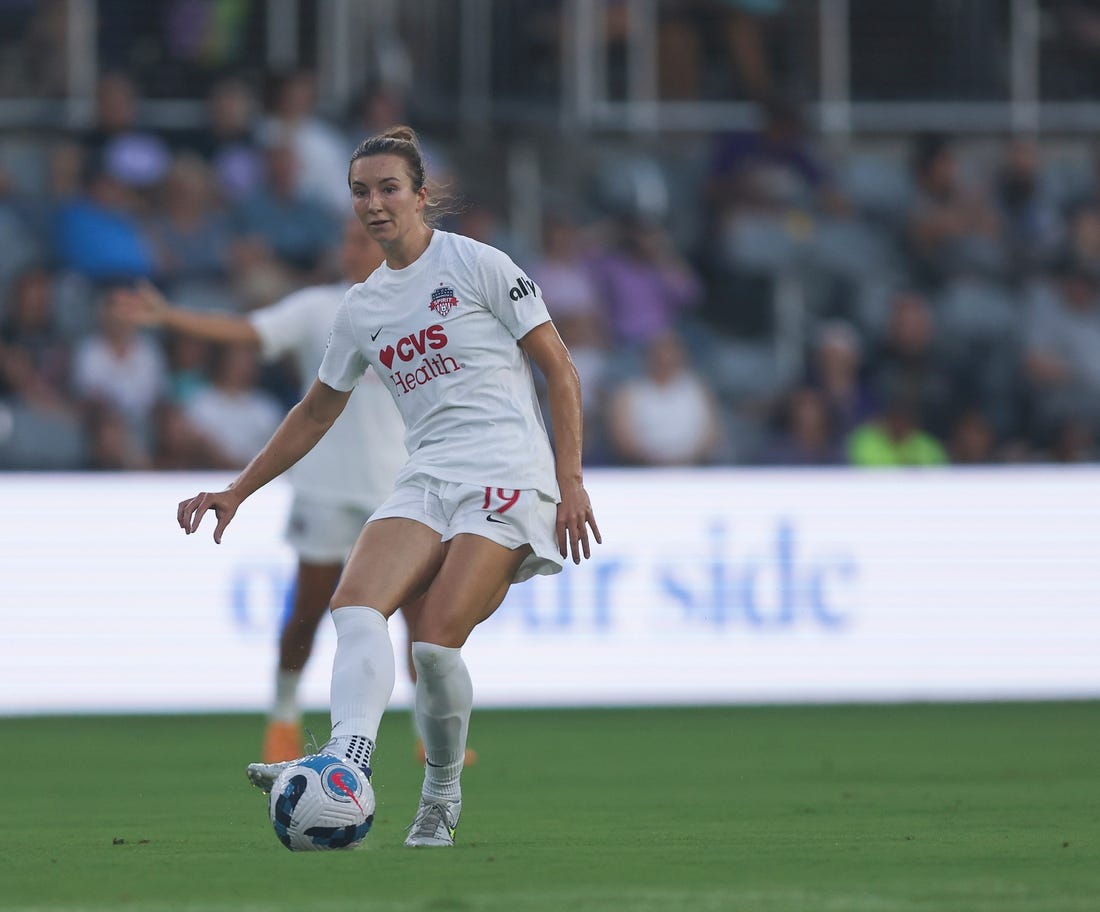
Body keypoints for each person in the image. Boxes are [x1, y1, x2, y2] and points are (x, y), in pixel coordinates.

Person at [176, 125, 600, 847]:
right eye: (360, 193)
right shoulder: (362, 307)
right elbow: (315, 411)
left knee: (434, 647)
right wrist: (237, 490)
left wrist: (571, 481)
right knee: (355, 605)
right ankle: (348, 760)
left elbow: (560, 369)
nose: (374, 204)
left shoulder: (477, 265)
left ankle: (440, 793)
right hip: (427, 475)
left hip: (506, 476)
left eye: (388, 189)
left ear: (420, 196)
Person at [115, 218, 473, 766]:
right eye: (350, 241)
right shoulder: (318, 309)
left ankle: (429, 732)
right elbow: (246, 332)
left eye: (363, 241)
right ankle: (283, 719)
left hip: (399, 489)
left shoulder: (418, 306)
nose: (353, 250)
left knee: (418, 619)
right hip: (325, 487)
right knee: (308, 612)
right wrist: (169, 317)